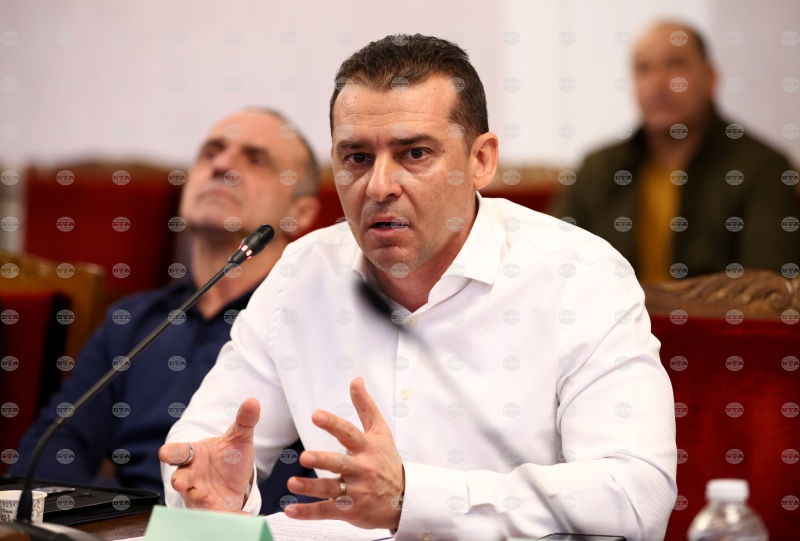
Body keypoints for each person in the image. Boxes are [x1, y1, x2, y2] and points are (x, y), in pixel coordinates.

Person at [160, 35, 677, 540]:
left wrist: (415, 498)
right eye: (356, 158)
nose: (379, 186)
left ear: (480, 160)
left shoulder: (578, 275)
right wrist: (211, 492)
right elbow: (202, 445)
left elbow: (637, 495)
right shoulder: (303, 273)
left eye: (414, 154)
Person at [11, 109, 321, 514]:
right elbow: (56, 446)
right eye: (210, 153)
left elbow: (326, 484)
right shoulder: (131, 321)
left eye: (255, 159)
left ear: (300, 212)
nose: (222, 166)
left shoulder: (315, 325)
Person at [550, 21, 799, 283]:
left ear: (710, 78)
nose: (657, 83)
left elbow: (767, 288)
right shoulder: (598, 169)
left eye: (675, 64)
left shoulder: (763, 168)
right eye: (644, 69)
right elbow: (552, 263)